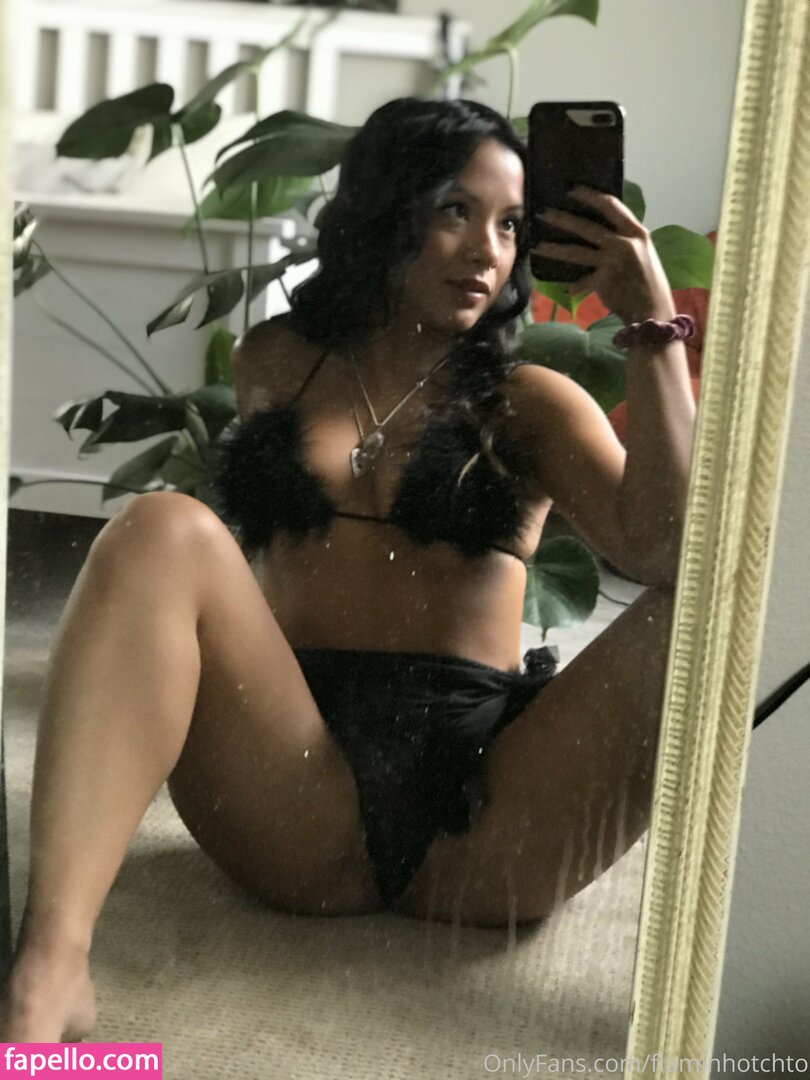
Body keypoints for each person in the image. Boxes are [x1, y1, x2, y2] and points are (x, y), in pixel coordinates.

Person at [1, 97, 696, 1041]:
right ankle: (50, 970)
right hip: (298, 786)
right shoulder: (277, 363)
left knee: (696, 615)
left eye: (509, 226)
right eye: (456, 211)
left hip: (489, 813)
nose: (487, 251)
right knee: (160, 526)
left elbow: (667, 550)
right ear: (385, 208)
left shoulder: (532, 402)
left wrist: (652, 324)